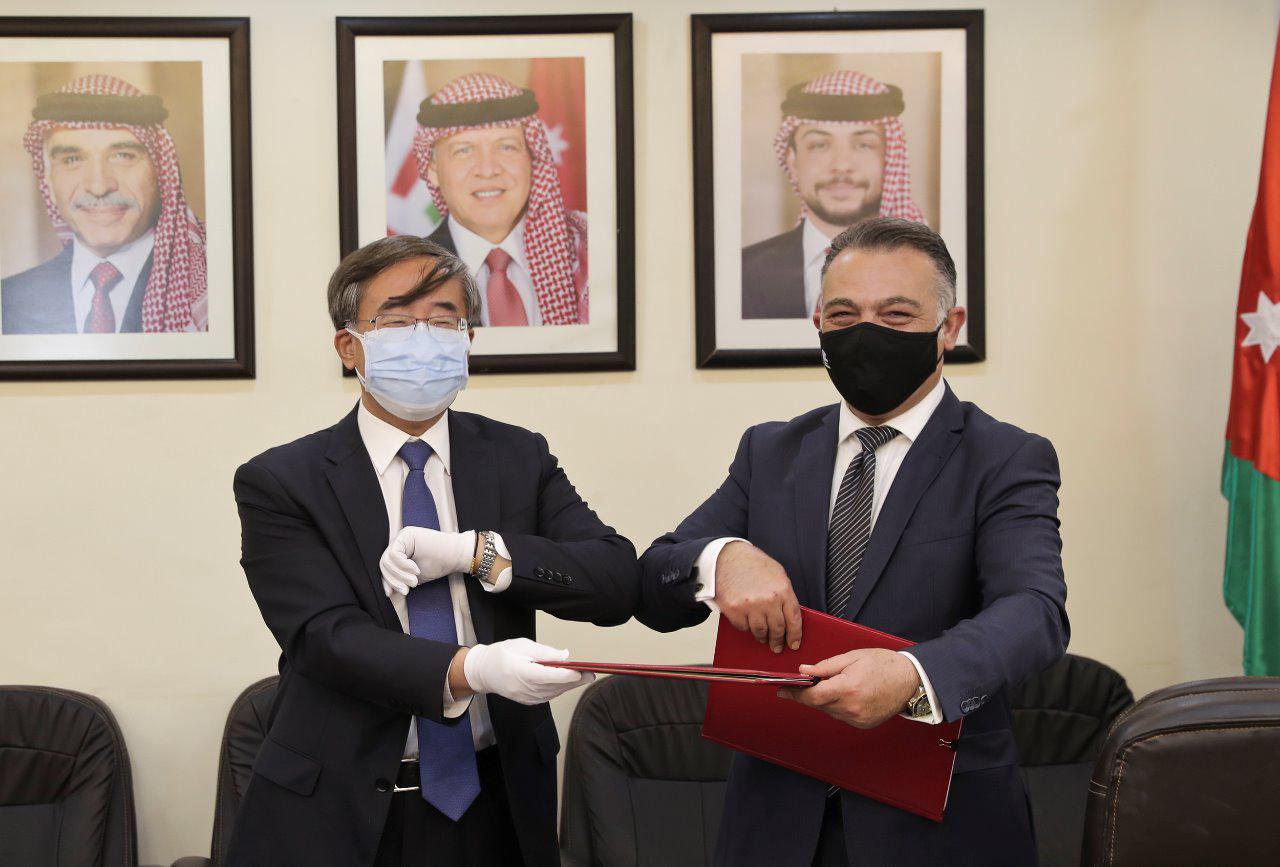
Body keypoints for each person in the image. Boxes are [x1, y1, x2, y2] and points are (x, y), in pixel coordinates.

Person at [642, 218, 1067, 865]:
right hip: (776, 824)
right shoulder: (770, 451)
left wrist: (914, 673)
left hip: (937, 825)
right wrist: (722, 557)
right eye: (844, 315)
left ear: (949, 327)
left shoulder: (1005, 457)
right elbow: (655, 577)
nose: (866, 333)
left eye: (896, 314)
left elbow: (1035, 612)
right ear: (818, 323)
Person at [229, 236, 637, 865]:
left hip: (499, 796)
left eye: (444, 322)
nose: (423, 339)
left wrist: (480, 553)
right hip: (338, 806)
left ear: (467, 340)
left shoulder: (518, 456)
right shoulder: (283, 480)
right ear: (348, 347)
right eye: (395, 321)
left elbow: (613, 580)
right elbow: (323, 637)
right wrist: (473, 669)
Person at [1, 74, 207, 334]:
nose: (99, 186)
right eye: (72, 159)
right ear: (49, 184)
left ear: (161, 174)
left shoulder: (210, 291)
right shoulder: (9, 302)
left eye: (123, 156)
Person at [742, 70, 925, 320]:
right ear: (793, 162)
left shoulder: (928, 269)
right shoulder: (742, 273)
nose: (841, 165)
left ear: (890, 159)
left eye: (863, 145)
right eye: (820, 145)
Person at [411, 71, 588, 327]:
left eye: (507, 147)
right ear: (432, 172)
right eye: (464, 150)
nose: (488, 169)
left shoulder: (588, 252)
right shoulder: (407, 274)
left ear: (533, 159)